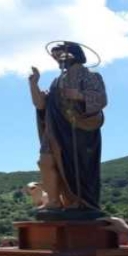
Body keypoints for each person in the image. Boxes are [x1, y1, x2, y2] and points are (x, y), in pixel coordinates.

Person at [29, 41, 107, 213]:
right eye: (55, 56)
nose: (58, 59)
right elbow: (41, 105)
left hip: (77, 131)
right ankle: (54, 201)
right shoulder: (57, 81)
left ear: (73, 54)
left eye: (60, 54)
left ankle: (80, 201)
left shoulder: (91, 76)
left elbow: (101, 99)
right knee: (45, 161)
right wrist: (33, 84)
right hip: (55, 129)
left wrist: (79, 95)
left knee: (75, 166)